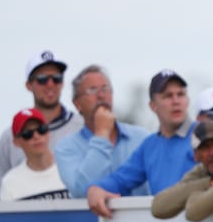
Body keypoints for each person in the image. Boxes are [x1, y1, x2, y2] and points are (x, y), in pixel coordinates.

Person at [85, 70, 197, 218]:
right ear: (153, 106)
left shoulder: (205, 133)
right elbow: (121, 179)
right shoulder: (150, 146)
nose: (176, 101)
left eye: (181, 94)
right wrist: (95, 189)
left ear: (187, 100)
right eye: (168, 96)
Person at [0, 50, 83, 198]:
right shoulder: (9, 137)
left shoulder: (82, 127)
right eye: (42, 79)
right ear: (29, 85)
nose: (50, 84)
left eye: (56, 78)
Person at [54, 65, 151, 198]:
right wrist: (102, 134)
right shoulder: (66, 147)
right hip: (91, 219)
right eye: (92, 90)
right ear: (77, 104)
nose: (101, 96)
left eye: (105, 89)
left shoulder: (142, 138)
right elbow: (83, 191)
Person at [150, 120, 213, 222]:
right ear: (196, 155)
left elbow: (193, 212)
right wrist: (209, 182)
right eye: (204, 147)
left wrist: (195, 194)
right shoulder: (200, 172)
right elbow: (158, 207)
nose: (212, 153)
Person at [0, 109, 70, 201]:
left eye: (41, 129)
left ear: (48, 133)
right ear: (16, 142)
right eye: (27, 134)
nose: (36, 136)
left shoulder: (71, 170)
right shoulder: (10, 183)